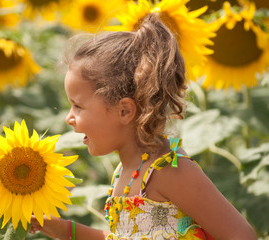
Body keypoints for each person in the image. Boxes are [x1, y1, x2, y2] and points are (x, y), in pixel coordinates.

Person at [29, 13, 257, 240]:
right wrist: (61, 229)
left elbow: (241, 235)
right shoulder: (125, 172)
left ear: (124, 111)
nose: (69, 117)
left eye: (77, 106)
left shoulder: (170, 171)